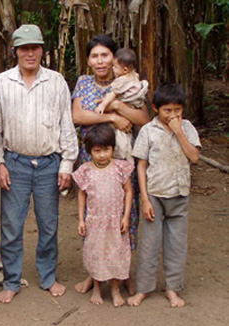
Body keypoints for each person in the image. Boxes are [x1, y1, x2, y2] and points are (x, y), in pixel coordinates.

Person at [0, 24, 78, 303]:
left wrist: (67, 164)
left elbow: (67, 123)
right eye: (24, 48)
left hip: (49, 163)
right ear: (15, 51)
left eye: (35, 47)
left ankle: (48, 277)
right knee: (11, 226)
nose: (30, 53)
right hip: (14, 161)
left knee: (49, 225)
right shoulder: (2, 82)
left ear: (42, 49)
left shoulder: (56, 81)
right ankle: (12, 280)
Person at [72, 34, 150, 295]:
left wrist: (116, 104)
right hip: (93, 162)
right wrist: (114, 117)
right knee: (94, 220)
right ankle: (94, 276)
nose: (100, 60)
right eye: (94, 55)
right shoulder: (83, 82)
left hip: (122, 164)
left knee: (123, 219)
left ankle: (123, 274)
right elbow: (78, 114)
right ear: (88, 60)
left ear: (116, 59)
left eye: (105, 55)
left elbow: (143, 118)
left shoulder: (129, 82)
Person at [128, 84, 201, 308]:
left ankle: (172, 289)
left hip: (179, 194)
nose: (172, 115)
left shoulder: (187, 128)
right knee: (149, 245)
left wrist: (178, 132)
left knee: (176, 245)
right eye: (167, 110)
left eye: (177, 110)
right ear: (155, 108)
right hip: (155, 195)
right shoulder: (148, 131)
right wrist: (145, 199)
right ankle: (143, 289)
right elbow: (141, 165)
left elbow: (195, 157)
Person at [72, 124, 133, 307]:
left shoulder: (121, 168)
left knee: (116, 254)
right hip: (95, 221)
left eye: (106, 150)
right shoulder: (85, 170)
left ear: (113, 148)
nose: (102, 155)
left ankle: (115, 289)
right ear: (90, 151)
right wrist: (81, 219)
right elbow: (82, 194)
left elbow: (129, 191)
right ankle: (97, 288)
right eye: (97, 151)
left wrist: (126, 216)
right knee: (96, 254)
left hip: (115, 221)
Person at [95, 48, 149, 164]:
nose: (112, 68)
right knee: (126, 139)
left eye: (114, 66)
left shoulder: (122, 81)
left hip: (129, 111)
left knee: (120, 140)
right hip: (131, 113)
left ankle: (122, 160)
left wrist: (103, 105)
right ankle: (127, 161)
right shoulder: (134, 76)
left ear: (125, 70)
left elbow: (112, 94)